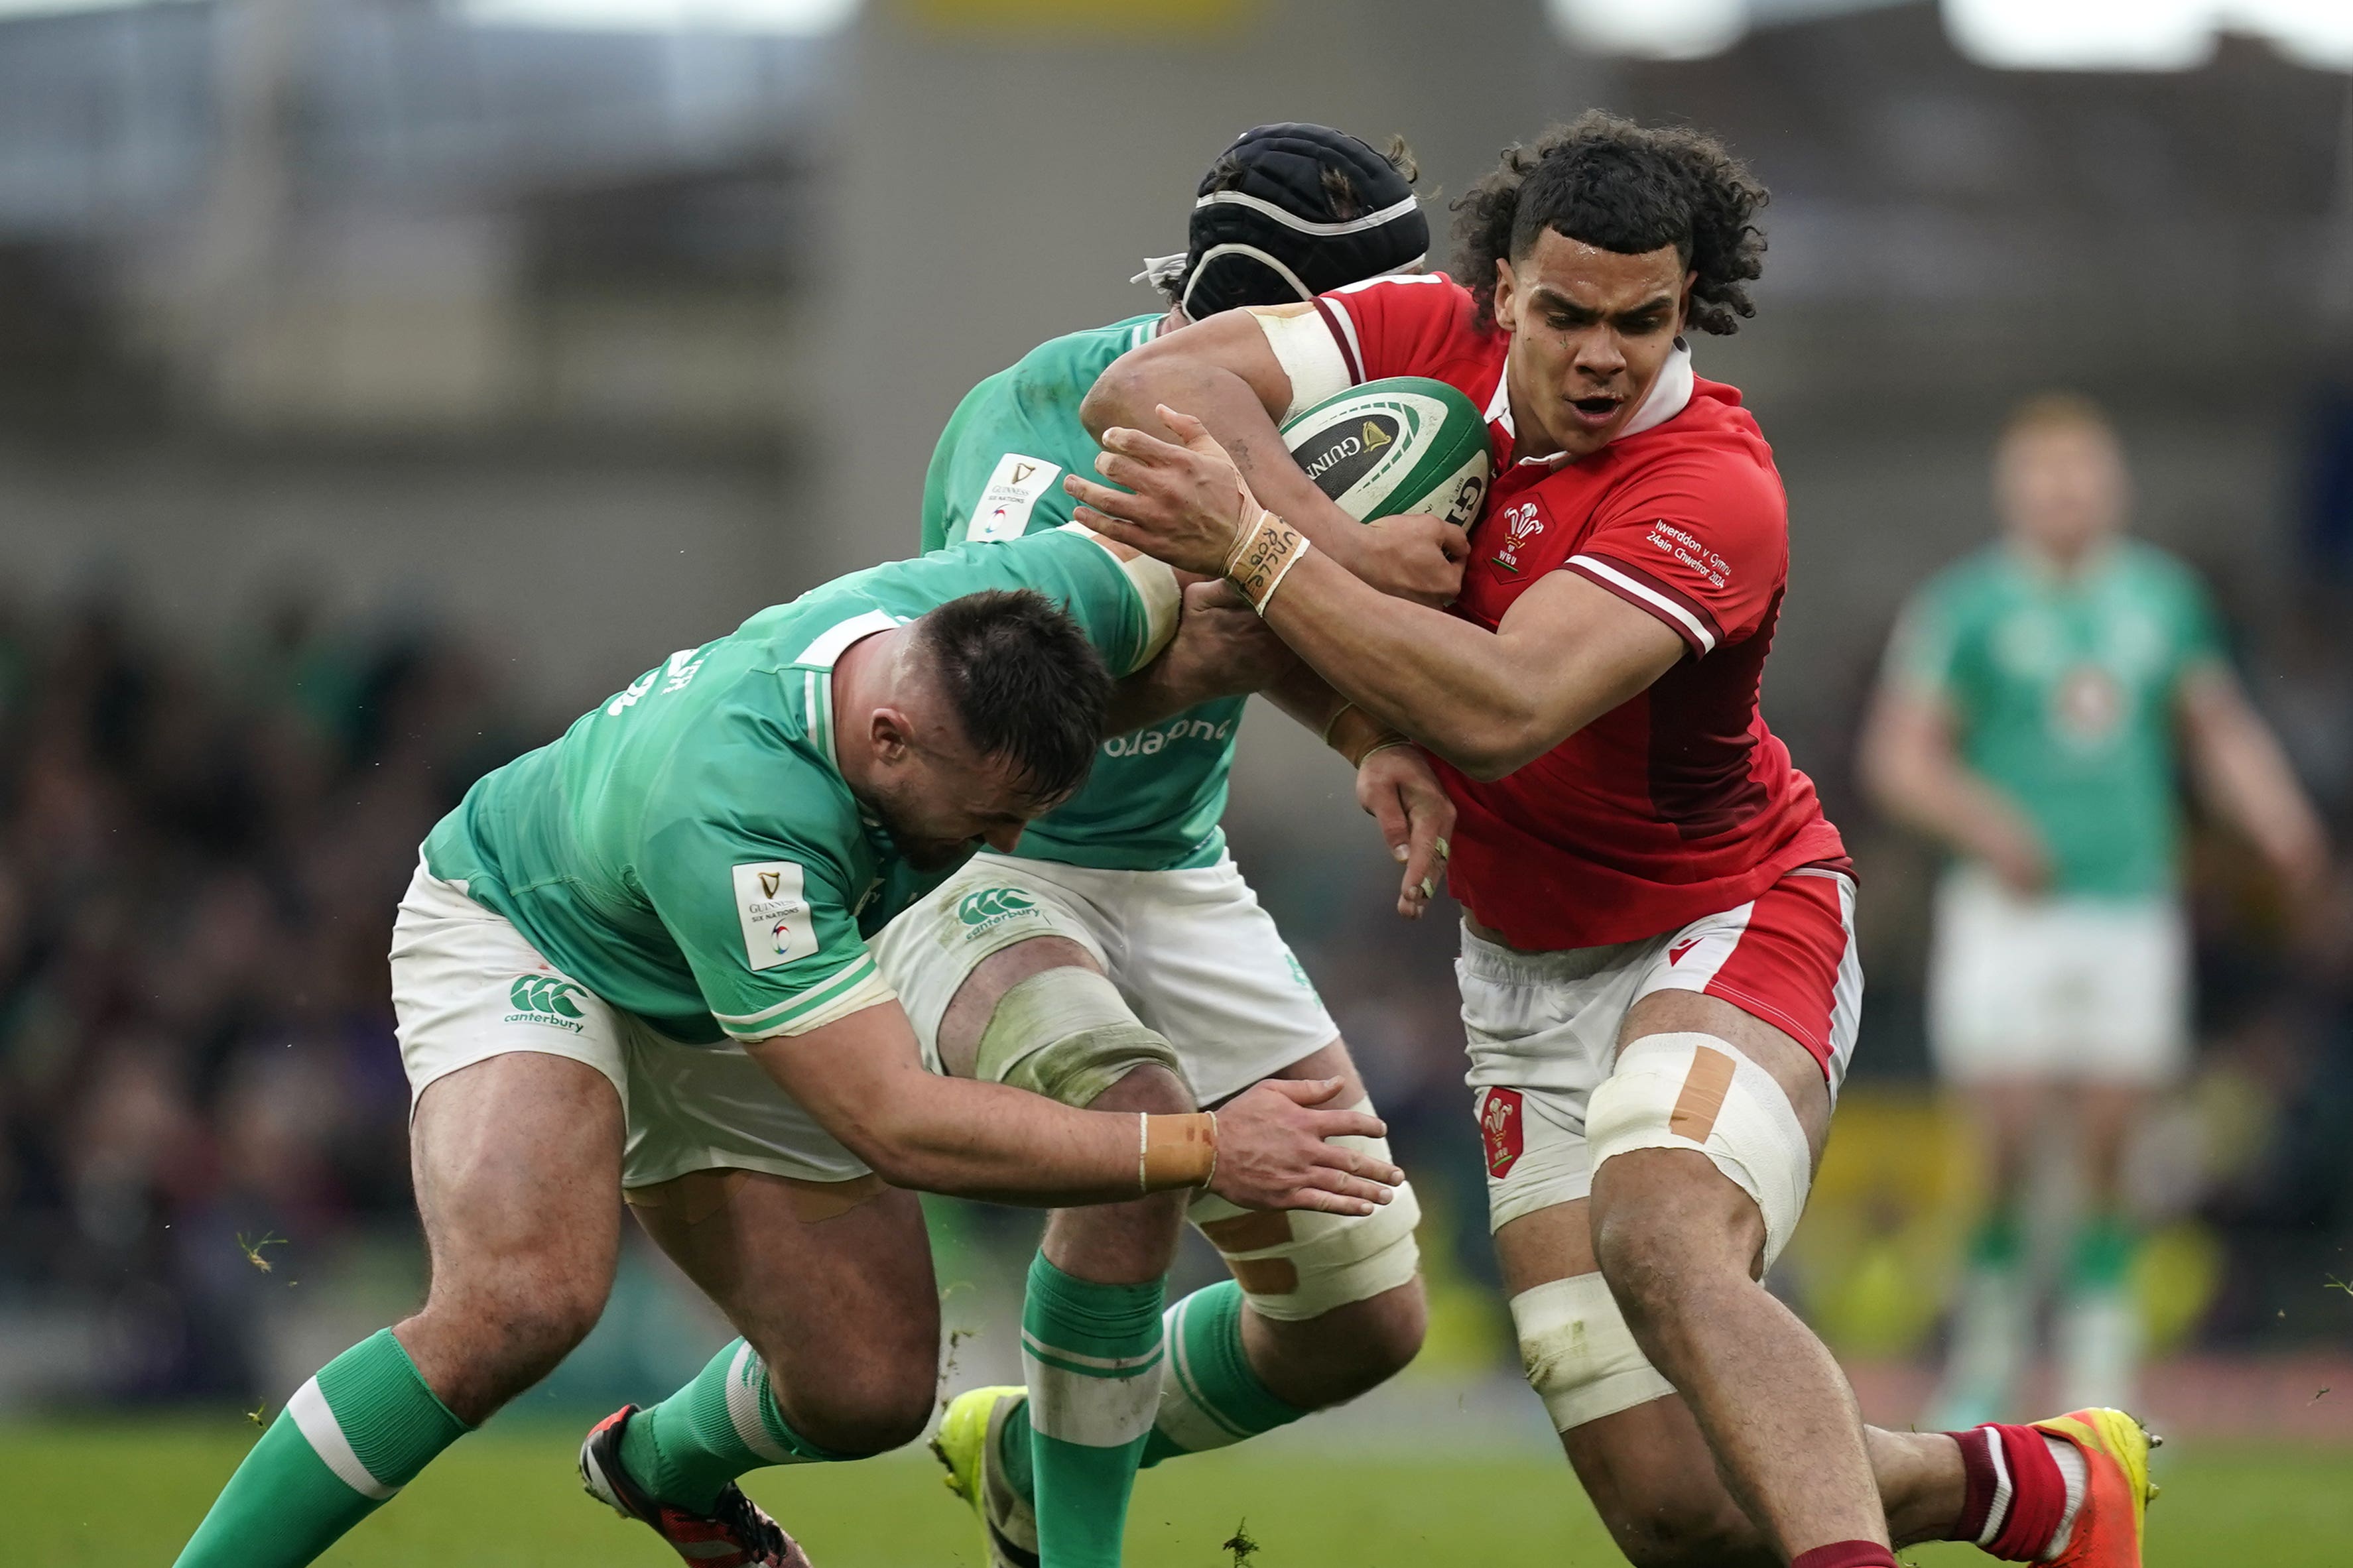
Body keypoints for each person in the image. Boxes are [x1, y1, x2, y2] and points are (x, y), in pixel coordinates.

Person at [1070, 113, 2158, 1568]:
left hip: (1729, 920)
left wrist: (1267, 546)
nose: (1599, 355)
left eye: (1641, 322)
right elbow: (1144, 389)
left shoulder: (1715, 487)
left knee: (1661, 1234)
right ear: (1502, 288)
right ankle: (2031, 1488)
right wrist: (1325, 529)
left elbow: (1507, 703)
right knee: (1675, 1509)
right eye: (1566, 313)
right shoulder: (1417, 327)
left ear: (1687, 306)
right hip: (1522, 978)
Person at [168, 524, 1402, 1568]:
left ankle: (658, 1471)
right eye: (990, 817)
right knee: (520, 1301)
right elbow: (898, 1122)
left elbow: (1233, 606)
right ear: (888, 742)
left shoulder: (1033, 607)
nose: (1011, 842)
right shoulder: (741, 813)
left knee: (869, 1394)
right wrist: (1196, 1145)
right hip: (531, 932)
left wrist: (1365, 710)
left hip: (731, 987)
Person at [907, 123, 1456, 1568]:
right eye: (1341, 313)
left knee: (1363, 1316)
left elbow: (1261, 626)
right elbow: (978, 713)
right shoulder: (1036, 430)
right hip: (989, 861)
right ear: (1265, 301)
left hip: (1171, 866)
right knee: (1130, 1127)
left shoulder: (1294, 439)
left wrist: (1362, 737)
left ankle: (1034, 1442)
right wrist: (1210, 646)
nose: (1368, 347)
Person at [1859, 392, 2328, 1428]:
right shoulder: (1965, 607)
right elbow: (1900, 758)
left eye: (2083, 473)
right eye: (2046, 475)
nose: (2066, 493)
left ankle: (2099, 1370)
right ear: (2014, 490)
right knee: (2009, 1135)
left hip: (2129, 905)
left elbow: (2214, 726)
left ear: (2112, 486)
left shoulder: (2161, 602)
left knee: (2115, 1141)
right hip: (2009, 913)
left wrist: (2279, 815)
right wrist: (1986, 824)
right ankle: (1982, 1356)